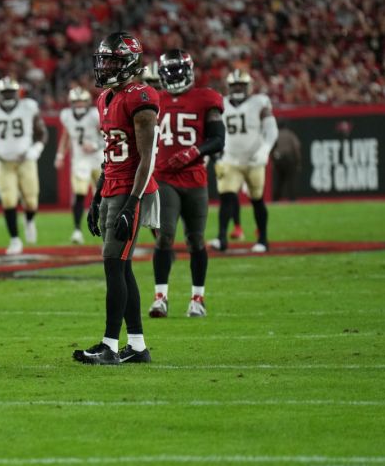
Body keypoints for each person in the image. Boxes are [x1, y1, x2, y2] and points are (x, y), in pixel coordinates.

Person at [74, 31, 160, 366]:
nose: (105, 66)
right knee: (120, 267)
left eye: (112, 60)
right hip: (112, 186)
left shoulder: (141, 97)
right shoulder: (106, 98)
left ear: (130, 63)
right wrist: (98, 194)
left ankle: (110, 345)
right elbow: (111, 154)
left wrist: (132, 202)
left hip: (131, 190)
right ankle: (137, 346)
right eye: (104, 59)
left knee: (114, 263)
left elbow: (147, 158)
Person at [148, 49, 226, 319]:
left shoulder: (206, 98)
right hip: (165, 177)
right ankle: (160, 298)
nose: (173, 77)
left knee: (195, 240)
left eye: (177, 71)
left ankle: (197, 298)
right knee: (165, 236)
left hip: (194, 178)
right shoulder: (154, 100)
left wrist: (194, 152)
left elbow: (218, 140)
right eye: (168, 72)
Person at [0, 76, 47, 255]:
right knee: (8, 200)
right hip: (3, 162)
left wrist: (36, 149)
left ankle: (29, 221)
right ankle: (15, 240)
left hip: (26, 160)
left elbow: (42, 133)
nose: (8, 95)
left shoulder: (28, 107)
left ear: (17, 92)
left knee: (31, 201)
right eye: (4, 92)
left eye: (10, 92)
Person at [212, 69, 277, 252]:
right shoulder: (221, 103)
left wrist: (265, 150)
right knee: (227, 197)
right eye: (235, 85)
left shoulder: (260, 102)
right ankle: (222, 238)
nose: (238, 88)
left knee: (257, 199)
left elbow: (271, 129)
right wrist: (216, 156)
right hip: (231, 159)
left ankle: (263, 239)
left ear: (249, 86)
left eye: (241, 85)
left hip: (254, 159)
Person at [54, 86, 104, 244]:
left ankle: (106, 229)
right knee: (80, 194)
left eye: (82, 102)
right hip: (80, 159)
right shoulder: (67, 116)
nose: (79, 105)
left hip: (98, 158)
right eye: (76, 102)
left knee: (104, 196)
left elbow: (108, 135)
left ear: (88, 102)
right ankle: (77, 230)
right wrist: (60, 155)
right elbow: (66, 136)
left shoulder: (94, 115)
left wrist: (95, 145)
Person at [270, 126, 301, 202]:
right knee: (291, 181)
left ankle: (275, 200)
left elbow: (271, 148)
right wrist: (298, 161)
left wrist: (273, 160)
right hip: (289, 160)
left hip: (278, 159)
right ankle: (292, 200)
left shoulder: (275, 135)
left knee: (278, 181)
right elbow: (296, 147)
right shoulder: (290, 134)